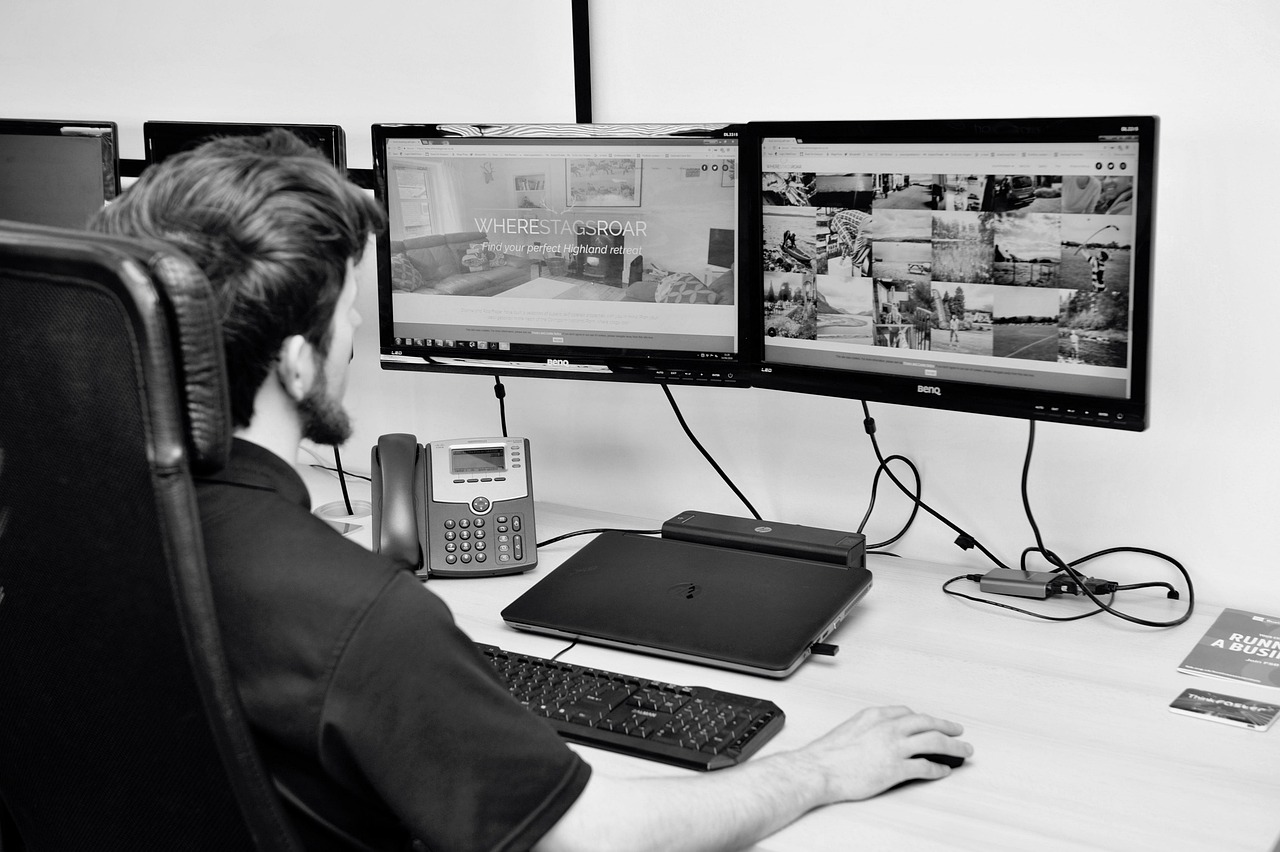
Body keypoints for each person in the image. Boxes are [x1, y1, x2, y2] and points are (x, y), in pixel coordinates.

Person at [90, 130, 970, 852]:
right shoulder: (358, 616)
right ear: (294, 363)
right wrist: (818, 770)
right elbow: (592, 836)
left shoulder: (78, 538)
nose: (356, 329)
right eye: (345, 312)